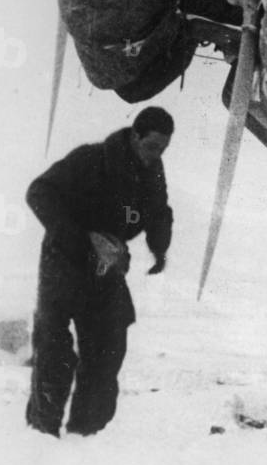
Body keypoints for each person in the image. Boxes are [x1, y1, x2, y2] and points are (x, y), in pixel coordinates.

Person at [25, 107, 174, 437]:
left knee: (107, 350)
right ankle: (41, 434)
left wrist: (159, 248)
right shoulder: (90, 159)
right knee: (54, 350)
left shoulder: (152, 172)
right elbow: (39, 192)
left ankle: (85, 437)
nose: (156, 156)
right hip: (63, 263)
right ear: (135, 136)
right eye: (152, 147)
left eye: (163, 149)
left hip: (106, 269)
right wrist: (85, 239)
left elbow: (159, 211)